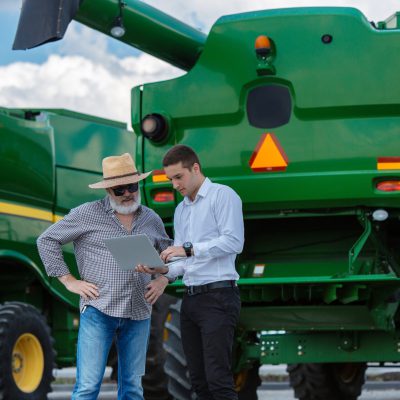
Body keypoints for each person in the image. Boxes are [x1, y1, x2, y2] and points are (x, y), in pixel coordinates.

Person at [37, 153, 171, 400]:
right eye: (120, 189)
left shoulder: (151, 219)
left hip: (139, 312)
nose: (129, 193)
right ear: (109, 189)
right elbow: (46, 240)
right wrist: (68, 280)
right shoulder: (86, 214)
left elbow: (169, 255)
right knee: (88, 387)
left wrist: (163, 279)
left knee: (132, 388)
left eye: (132, 186)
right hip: (99, 309)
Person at [137, 145, 244, 400]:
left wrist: (187, 249)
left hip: (219, 297)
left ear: (195, 168)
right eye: (170, 179)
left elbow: (233, 242)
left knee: (218, 380)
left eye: (178, 177)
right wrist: (162, 273)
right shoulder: (182, 209)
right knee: (197, 381)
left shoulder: (223, 196)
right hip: (191, 300)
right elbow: (183, 262)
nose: (174, 185)